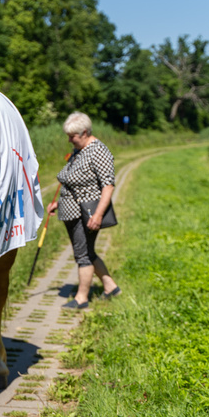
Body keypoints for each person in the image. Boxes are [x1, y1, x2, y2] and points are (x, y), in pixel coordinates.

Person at [47, 112, 121, 309]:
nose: (69, 140)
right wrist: (58, 204)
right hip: (71, 211)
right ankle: (111, 287)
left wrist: (97, 215)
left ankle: (82, 298)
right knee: (87, 251)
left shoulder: (98, 151)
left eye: (73, 136)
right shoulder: (79, 150)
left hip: (86, 213)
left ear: (85, 132)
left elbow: (108, 186)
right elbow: (72, 181)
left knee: (83, 255)